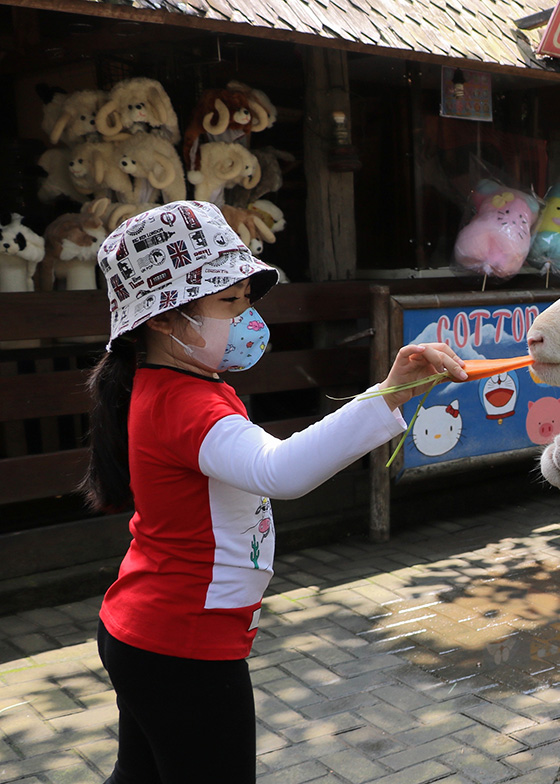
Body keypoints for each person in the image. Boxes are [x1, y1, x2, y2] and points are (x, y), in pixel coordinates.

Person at [83, 200, 466, 783]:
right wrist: (389, 392)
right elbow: (281, 470)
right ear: (161, 318)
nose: (246, 319)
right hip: (182, 648)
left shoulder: (172, 384)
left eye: (246, 302)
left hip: (147, 634)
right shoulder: (186, 403)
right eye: (227, 304)